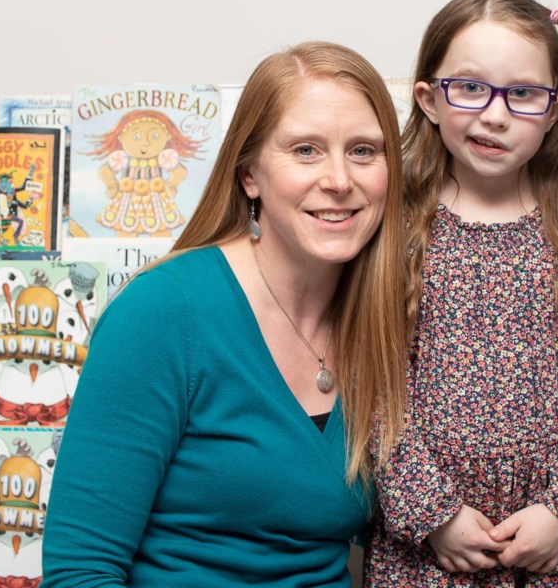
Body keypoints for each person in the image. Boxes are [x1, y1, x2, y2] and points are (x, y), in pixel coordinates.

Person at [42, 41, 407, 587]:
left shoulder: (384, 322)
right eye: (305, 150)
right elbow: (80, 572)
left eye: (363, 151)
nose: (339, 179)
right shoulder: (164, 312)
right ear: (249, 176)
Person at [366, 0, 558, 586]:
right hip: (424, 549)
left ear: (556, 111)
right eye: (470, 87)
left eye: (522, 94)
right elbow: (367, 375)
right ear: (429, 100)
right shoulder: (394, 225)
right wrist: (430, 510)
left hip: (547, 548)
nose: (494, 114)